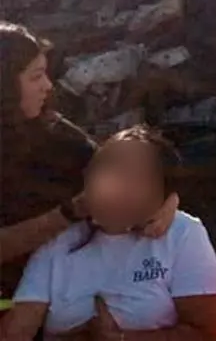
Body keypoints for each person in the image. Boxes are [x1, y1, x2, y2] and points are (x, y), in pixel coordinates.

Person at [1, 23, 178, 297]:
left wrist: (167, 201)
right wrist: (71, 212)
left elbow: (112, 167)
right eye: (35, 77)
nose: (48, 86)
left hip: (72, 281)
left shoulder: (50, 129)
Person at [2, 126, 216, 341]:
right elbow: (16, 332)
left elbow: (206, 334)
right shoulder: (59, 240)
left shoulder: (182, 233)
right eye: (107, 168)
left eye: (137, 176)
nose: (116, 184)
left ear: (162, 189)